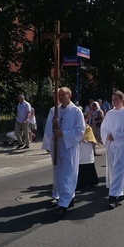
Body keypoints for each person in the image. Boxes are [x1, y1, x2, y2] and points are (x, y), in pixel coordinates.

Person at [44, 87, 85, 216]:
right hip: (57, 146)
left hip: (69, 146)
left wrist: (63, 133)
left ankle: (63, 205)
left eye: (63, 95)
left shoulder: (76, 112)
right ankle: (68, 197)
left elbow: (80, 131)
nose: (60, 97)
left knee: (68, 174)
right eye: (59, 95)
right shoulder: (54, 110)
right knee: (59, 175)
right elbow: (48, 129)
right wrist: (53, 125)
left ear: (69, 95)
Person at [101, 91, 124, 209]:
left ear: (122, 100)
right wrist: (107, 135)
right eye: (112, 99)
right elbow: (104, 127)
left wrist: (116, 134)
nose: (113, 102)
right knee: (113, 170)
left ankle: (112, 197)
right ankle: (123, 191)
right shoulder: (110, 114)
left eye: (116, 99)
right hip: (111, 145)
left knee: (119, 170)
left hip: (121, 145)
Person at [76, 115, 99, 190]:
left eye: (84, 119)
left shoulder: (88, 128)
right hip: (79, 147)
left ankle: (91, 182)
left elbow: (90, 138)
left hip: (87, 147)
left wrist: (83, 139)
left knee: (88, 165)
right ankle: (81, 183)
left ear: (86, 119)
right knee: (80, 166)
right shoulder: (77, 128)